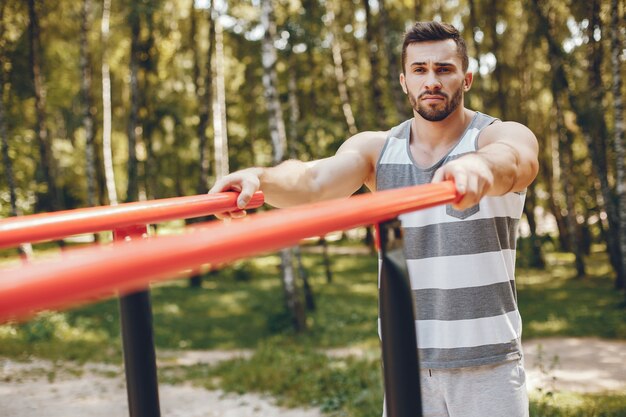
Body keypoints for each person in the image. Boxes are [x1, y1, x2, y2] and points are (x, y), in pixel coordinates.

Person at [210, 21, 538, 417]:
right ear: (404, 81)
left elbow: (515, 160)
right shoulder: (377, 149)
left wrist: (479, 169)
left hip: (489, 365)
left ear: (466, 78)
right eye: (419, 70)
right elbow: (311, 180)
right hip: (407, 365)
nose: (431, 80)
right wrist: (259, 178)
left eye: (444, 69)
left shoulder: (496, 136)